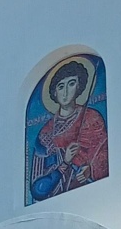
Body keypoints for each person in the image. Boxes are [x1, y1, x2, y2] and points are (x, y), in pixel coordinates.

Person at [29, 59, 108, 201]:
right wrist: (65, 163)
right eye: (60, 86)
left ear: (79, 87)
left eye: (71, 84)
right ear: (54, 93)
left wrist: (90, 170)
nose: (65, 92)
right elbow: (37, 190)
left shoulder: (92, 119)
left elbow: (103, 155)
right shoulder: (45, 134)